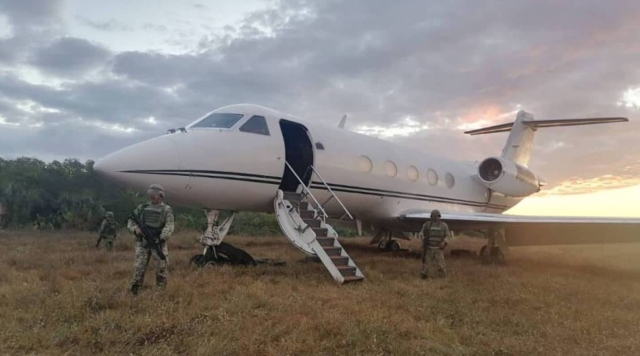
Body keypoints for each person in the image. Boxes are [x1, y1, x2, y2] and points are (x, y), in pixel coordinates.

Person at [127, 184, 174, 295]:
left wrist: (161, 238)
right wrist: (135, 229)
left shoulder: (166, 209)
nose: (152, 199)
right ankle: (134, 291)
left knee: (161, 268)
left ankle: (160, 292)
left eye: (154, 196)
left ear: (161, 196)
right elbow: (131, 220)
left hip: (158, 243)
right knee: (139, 267)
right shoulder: (142, 207)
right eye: (151, 196)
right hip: (142, 243)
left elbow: (169, 225)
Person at [419, 209, 451, 279]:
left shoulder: (443, 226)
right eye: (434, 216)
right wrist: (422, 238)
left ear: (439, 216)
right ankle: (424, 276)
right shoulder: (427, 225)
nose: (435, 218)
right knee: (426, 265)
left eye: (437, 216)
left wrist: (444, 242)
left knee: (441, 265)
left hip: (438, 248)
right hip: (429, 248)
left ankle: (442, 277)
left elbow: (448, 235)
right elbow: (421, 233)